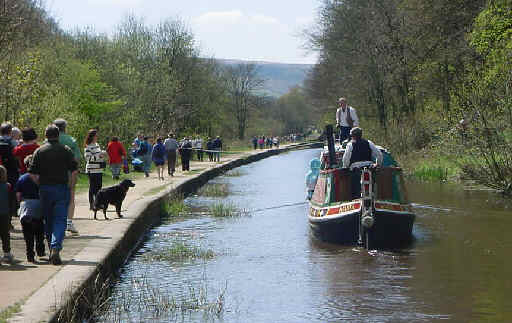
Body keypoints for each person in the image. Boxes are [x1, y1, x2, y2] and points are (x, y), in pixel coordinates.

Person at [28, 124, 78, 265]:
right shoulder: (66, 150)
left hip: (45, 189)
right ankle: (55, 248)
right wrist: (71, 185)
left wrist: (39, 184)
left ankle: (52, 247)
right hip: (61, 188)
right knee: (60, 220)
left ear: (46, 135)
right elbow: (74, 170)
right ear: (58, 135)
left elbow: (31, 173)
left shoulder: (39, 151)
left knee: (48, 220)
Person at [54, 119, 81, 235]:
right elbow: (76, 159)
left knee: (55, 198)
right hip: (68, 173)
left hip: (52, 174)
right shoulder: (71, 140)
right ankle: (69, 222)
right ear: (65, 127)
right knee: (70, 197)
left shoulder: (48, 140)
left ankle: (56, 222)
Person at [16, 155, 45, 263]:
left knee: (27, 234)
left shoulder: (22, 178)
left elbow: (18, 195)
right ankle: (40, 250)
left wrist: (20, 204)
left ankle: (30, 255)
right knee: (39, 231)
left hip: (26, 207)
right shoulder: (41, 177)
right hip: (38, 205)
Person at [0, 122, 19, 229]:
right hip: (10, 173)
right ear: (10, 132)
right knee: (10, 197)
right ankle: (8, 222)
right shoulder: (13, 142)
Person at [84, 129, 106, 211]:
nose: (97, 137)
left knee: (99, 188)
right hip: (92, 170)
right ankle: (92, 204)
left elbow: (98, 155)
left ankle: (98, 204)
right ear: (92, 136)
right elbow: (88, 158)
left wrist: (103, 155)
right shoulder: (88, 146)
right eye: (96, 135)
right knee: (92, 188)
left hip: (99, 169)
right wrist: (99, 156)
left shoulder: (97, 145)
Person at [0, 165, 14, 263]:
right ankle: (7, 253)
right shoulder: (7, 186)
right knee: (5, 234)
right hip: (4, 213)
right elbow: (11, 200)